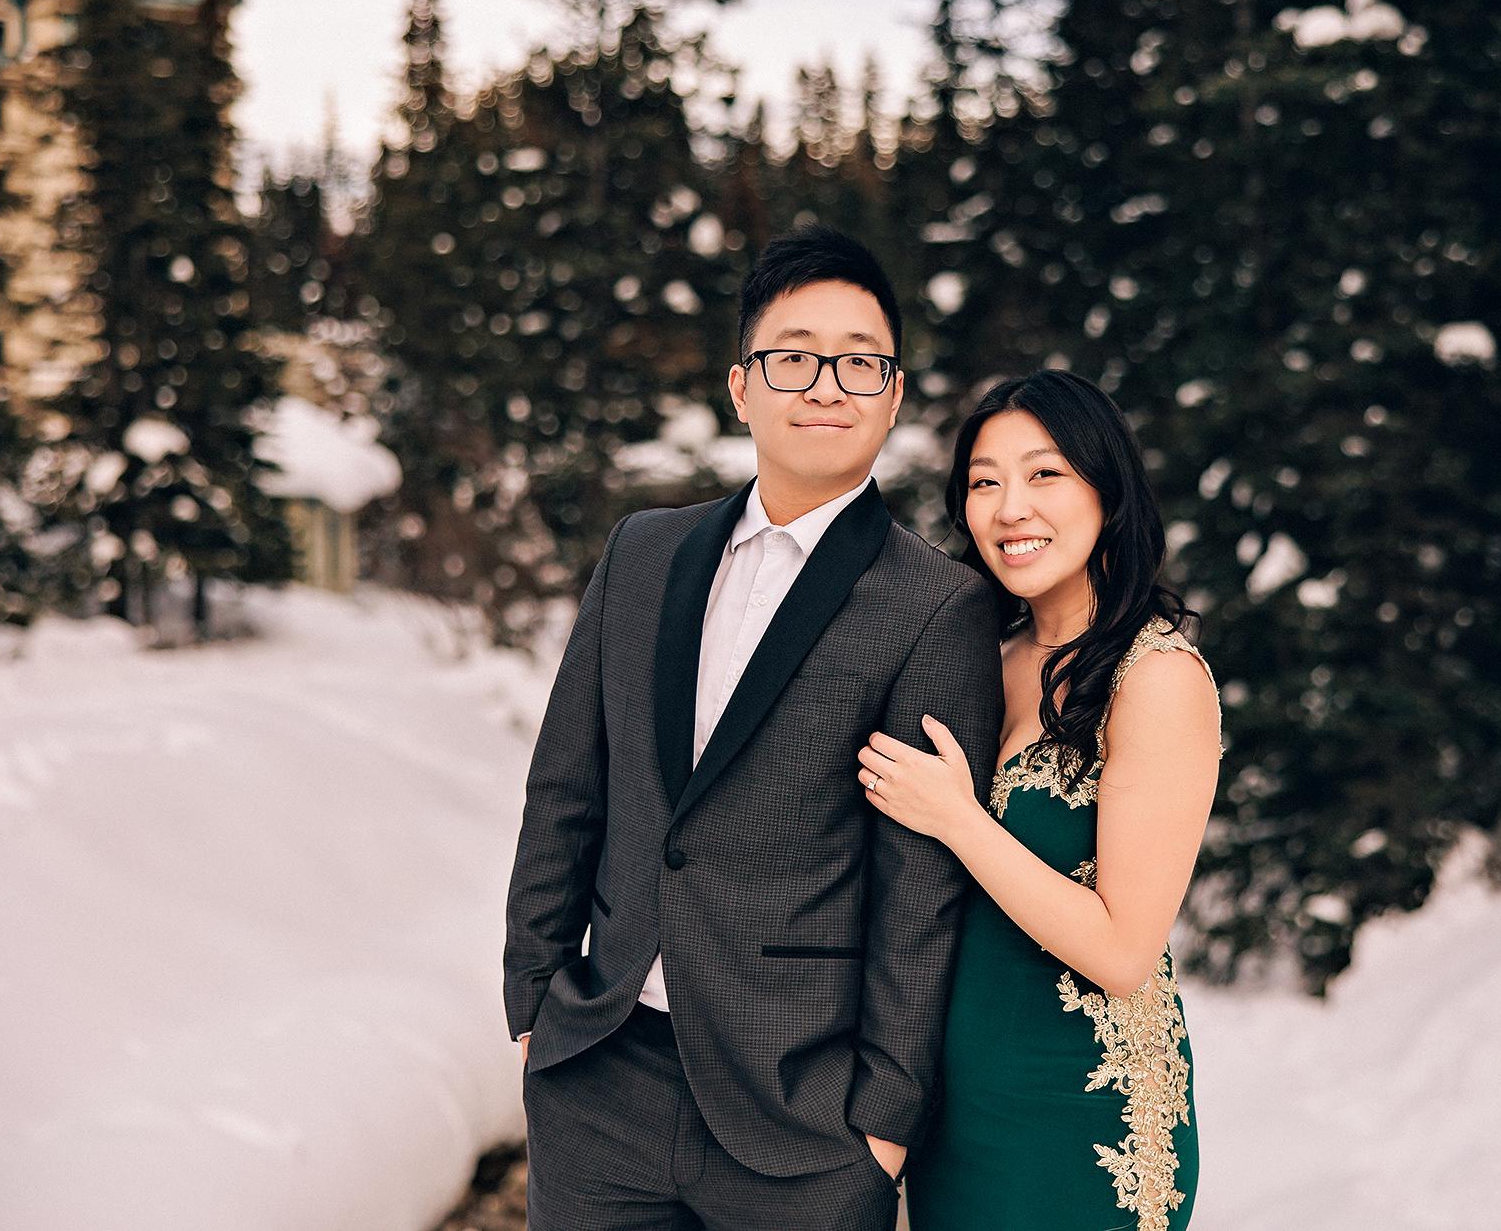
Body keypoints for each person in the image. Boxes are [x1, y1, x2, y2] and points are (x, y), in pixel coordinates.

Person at [502, 225, 1004, 1230]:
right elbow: (567, 787)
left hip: (801, 1122)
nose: (826, 383)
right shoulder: (640, 553)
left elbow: (920, 895)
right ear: (741, 386)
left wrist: (882, 1124)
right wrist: (532, 1004)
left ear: (892, 394)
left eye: (859, 360)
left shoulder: (935, 607)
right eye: (793, 355)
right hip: (598, 1081)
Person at [857, 370, 1223, 1231]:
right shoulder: (983, 654)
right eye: (985, 481)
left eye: (1044, 473)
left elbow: (1123, 947)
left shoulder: (1158, 678)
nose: (1010, 506)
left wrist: (959, 818)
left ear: (1108, 489)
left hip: (1079, 1112)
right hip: (953, 1110)